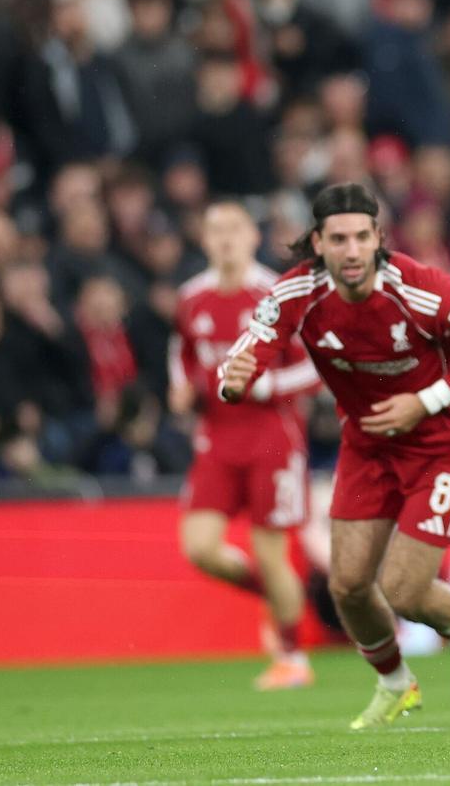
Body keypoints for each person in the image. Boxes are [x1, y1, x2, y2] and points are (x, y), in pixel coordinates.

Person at [219, 183, 450, 729]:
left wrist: (422, 402)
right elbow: (249, 348)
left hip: (445, 443)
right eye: (339, 239)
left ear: (379, 237)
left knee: (403, 590)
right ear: (318, 243)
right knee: (348, 585)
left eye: (362, 237)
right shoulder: (296, 294)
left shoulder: (419, 289)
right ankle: (395, 682)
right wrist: (232, 380)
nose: (352, 250)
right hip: (369, 446)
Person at [169, 201, 322, 690]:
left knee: (269, 549)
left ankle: (293, 659)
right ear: (204, 241)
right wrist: (180, 388)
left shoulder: (275, 294)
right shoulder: (191, 298)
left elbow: (315, 366)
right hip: (217, 438)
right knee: (199, 549)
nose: (225, 239)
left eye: (234, 229)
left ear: (252, 238)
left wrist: (264, 387)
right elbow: (183, 352)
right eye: (215, 231)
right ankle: (274, 599)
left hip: (271, 439)